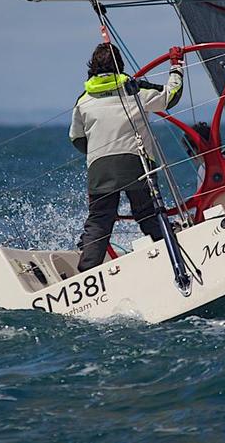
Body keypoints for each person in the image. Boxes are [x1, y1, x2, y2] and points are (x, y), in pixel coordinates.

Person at [69, 42, 184, 272]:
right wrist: (176, 67)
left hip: (100, 168)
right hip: (136, 164)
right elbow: (170, 96)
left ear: (92, 68)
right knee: (147, 214)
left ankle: (87, 272)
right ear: (119, 66)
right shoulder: (135, 89)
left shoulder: (83, 100)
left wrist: (97, 153)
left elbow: (77, 138)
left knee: (100, 220)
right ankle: (176, 254)